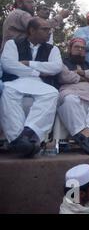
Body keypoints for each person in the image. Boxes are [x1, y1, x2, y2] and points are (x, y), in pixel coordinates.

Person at [0, 18, 62, 157]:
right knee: (8, 92)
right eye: (45, 29)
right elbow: (8, 64)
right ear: (32, 30)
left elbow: (56, 67)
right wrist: (37, 71)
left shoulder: (52, 49)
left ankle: (27, 133)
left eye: (49, 29)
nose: (49, 32)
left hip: (39, 82)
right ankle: (18, 139)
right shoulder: (13, 44)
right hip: (17, 80)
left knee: (52, 93)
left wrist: (29, 63)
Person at [1, 0, 70, 51]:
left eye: (32, 2)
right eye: (29, 2)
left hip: (12, 54)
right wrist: (60, 16)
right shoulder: (21, 14)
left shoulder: (15, 13)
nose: (33, 5)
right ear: (19, 3)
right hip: (14, 56)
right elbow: (39, 26)